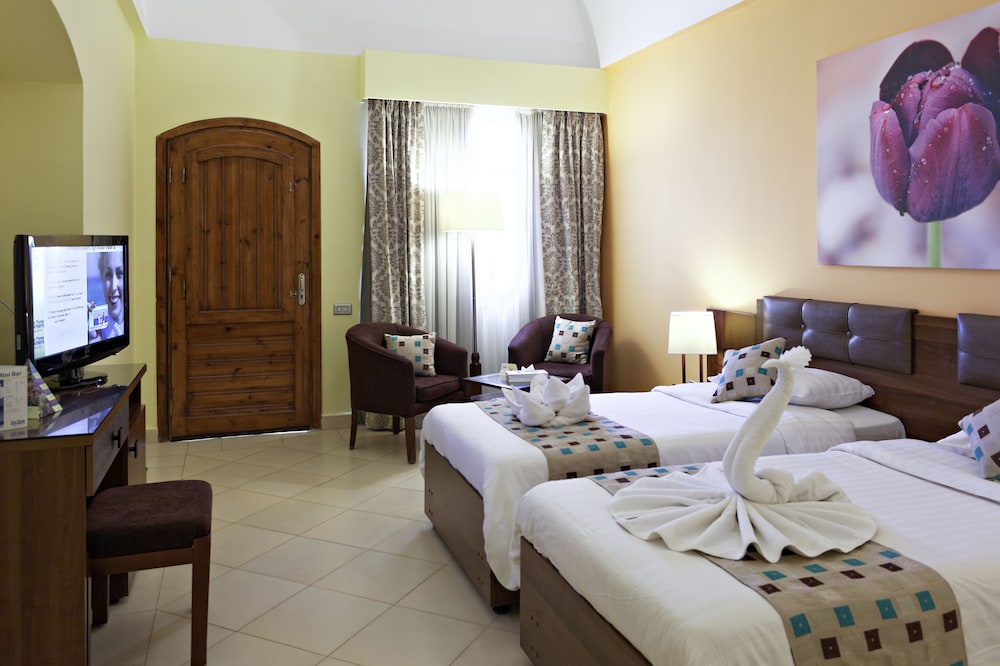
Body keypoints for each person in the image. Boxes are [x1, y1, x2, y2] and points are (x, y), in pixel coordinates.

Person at [88, 250, 125, 340]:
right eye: (108, 274)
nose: (113, 287)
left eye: (120, 273)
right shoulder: (95, 325)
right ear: (102, 279)